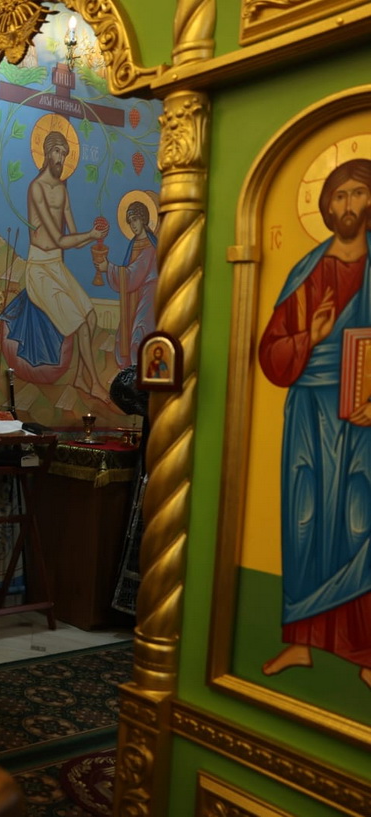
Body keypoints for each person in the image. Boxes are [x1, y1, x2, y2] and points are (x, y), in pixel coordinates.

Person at [257, 157, 371, 689]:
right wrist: (312, 337)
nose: (348, 205)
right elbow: (270, 353)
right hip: (308, 412)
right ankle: (301, 643)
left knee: (359, 521)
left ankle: (364, 651)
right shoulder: (307, 271)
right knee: (303, 519)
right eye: (339, 195)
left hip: (362, 417)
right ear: (326, 206)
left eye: (358, 193)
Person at [1, 128, 109, 401]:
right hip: (39, 270)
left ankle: (81, 379)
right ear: (47, 153)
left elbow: (73, 237)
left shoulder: (62, 189)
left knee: (92, 317)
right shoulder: (36, 188)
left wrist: (94, 235)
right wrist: (88, 236)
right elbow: (59, 239)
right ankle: (95, 384)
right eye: (57, 152)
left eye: (64, 153)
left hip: (57, 266)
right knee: (81, 325)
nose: (61, 158)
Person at [93, 199, 158, 368]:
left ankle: (140, 374)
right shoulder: (134, 243)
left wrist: (108, 268)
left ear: (143, 219)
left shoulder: (150, 246)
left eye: (135, 220)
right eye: (130, 222)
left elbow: (133, 274)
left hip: (148, 296)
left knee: (140, 333)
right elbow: (131, 273)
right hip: (135, 295)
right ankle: (130, 372)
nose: (133, 225)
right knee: (127, 333)